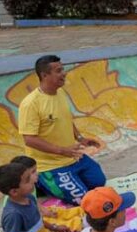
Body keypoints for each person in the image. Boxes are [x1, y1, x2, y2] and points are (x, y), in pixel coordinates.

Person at [18, 55, 106, 205]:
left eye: (63, 69)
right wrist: (62, 151)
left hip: (73, 157)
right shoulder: (30, 104)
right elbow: (29, 139)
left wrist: (80, 138)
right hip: (51, 166)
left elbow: (66, 118)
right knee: (85, 201)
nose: (64, 73)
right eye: (58, 71)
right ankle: (41, 181)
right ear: (44, 75)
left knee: (99, 182)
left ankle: (55, 183)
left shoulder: (60, 93)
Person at [10, 155, 84, 232]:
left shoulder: (29, 186)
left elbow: (33, 201)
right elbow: (28, 217)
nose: (37, 173)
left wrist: (44, 210)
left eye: (36, 170)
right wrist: (43, 214)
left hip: (35, 212)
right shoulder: (18, 193)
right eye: (33, 172)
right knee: (49, 222)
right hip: (30, 221)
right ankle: (80, 223)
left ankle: (82, 211)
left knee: (55, 210)